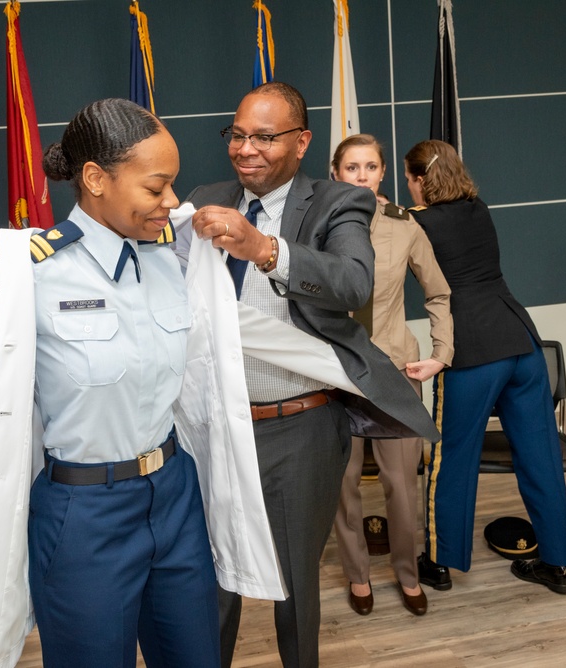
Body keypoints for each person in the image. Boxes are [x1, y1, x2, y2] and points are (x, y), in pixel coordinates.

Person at [0, 98, 243, 668]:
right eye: (157, 188)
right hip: (84, 515)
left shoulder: (173, 255)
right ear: (96, 179)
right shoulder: (28, 274)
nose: (172, 201)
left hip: (176, 495)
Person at [182, 82, 438, 668]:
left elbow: (353, 283)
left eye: (264, 137)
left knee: (295, 584)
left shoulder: (338, 202)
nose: (246, 149)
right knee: (211, 579)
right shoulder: (205, 197)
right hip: (215, 427)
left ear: (301, 142)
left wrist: (266, 249)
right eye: (238, 135)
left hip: (299, 428)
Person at [404, 139, 566, 595]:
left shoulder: (415, 223)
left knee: (453, 458)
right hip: (522, 342)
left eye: (408, 179)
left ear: (420, 180)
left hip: (472, 351)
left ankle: (441, 563)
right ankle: (558, 566)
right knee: (541, 455)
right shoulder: (478, 207)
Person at [330, 134, 453, 616]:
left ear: (383, 173)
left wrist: (441, 353)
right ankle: (358, 577)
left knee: (402, 487)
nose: (362, 175)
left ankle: (407, 572)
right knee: (342, 486)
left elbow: (438, 294)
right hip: (335, 373)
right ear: (335, 172)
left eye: (371, 167)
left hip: (395, 369)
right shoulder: (313, 224)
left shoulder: (405, 227)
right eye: (352, 167)